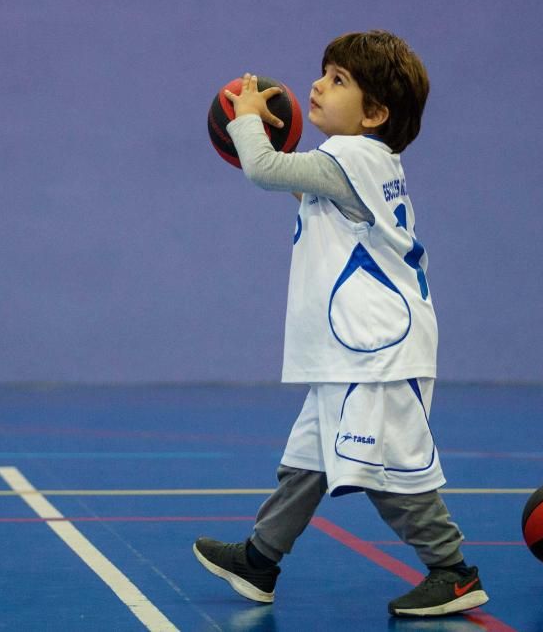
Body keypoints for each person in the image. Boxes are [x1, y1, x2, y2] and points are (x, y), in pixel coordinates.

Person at [192, 30, 488, 617]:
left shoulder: (352, 156)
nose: (316, 86)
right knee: (307, 462)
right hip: (352, 349)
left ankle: (452, 571)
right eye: (323, 73)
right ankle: (260, 559)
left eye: (338, 80)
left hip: (374, 348)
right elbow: (295, 181)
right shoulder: (362, 163)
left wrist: (246, 119)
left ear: (375, 113)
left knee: (382, 472)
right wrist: (273, 142)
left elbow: (263, 170)